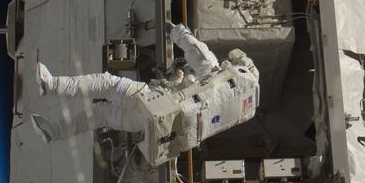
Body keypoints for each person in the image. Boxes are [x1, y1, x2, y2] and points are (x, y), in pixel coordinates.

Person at [29, 24, 258, 158]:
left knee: (109, 84)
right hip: (154, 127)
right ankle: (53, 132)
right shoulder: (234, 107)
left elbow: (195, 50)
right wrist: (178, 78)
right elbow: (189, 91)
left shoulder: (220, 75)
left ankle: (51, 85)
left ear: (240, 67)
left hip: (150, 103)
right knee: (99, 115)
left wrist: (177, 31)